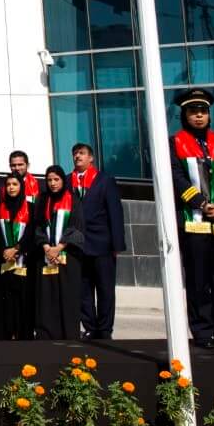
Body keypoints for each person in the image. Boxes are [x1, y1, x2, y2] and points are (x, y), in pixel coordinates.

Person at [170, 87, 214, 348]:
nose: (198, 116)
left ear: (209, 114)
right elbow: (176, 178)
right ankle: (202, 332)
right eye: (193, 111)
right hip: (194, 220)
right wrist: (201, 202)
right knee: (199, 279)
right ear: (184, 114)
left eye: (203, 111)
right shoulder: (175, 142)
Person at [70, 141, 124, 340]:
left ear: (91, 158)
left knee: (105, 289)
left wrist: (117, 244)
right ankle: (90, 326)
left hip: (102, 244)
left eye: (82, 153)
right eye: (75, 154)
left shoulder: (104, 180)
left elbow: (115, 213)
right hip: (77, 245)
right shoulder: (68, 181)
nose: (78, 157)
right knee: (83, 289)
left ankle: (105, 329)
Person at [35, 165, 85, 340]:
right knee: (47, 295)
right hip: (47, 255)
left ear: (63, 180)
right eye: (49, 180)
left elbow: (77, 226)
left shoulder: (73, 199)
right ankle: (47, 333)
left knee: (67, 295)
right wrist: (46, 247)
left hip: (67, 255)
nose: (53, 183)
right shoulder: (43, 199)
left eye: (56, 179)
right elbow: (38, 226)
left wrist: (59, 247)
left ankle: (69, 333)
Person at [0, 174, 35, 341]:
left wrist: (17, 249)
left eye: (15, 184)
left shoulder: (30, 207)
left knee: (21, 298)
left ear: (21, 186)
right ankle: (5, 332)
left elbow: (31, 232)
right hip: (3, 259)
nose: (11, 187)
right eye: (8, 184)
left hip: (23, 260)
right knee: (4, 297)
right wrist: (6, 251)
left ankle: (21, 332)